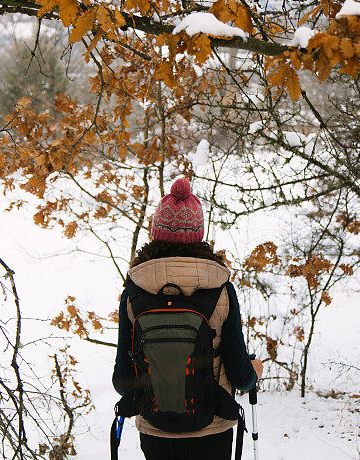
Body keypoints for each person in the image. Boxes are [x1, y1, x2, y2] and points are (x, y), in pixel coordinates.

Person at [112, 177, 263, 459]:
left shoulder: (133, 292)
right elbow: (241, 376)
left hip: (156, 434)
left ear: (156, 231)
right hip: (212, 431)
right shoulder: (221, 290)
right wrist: (255, 370)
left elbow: (123, 381)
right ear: (199, 233)